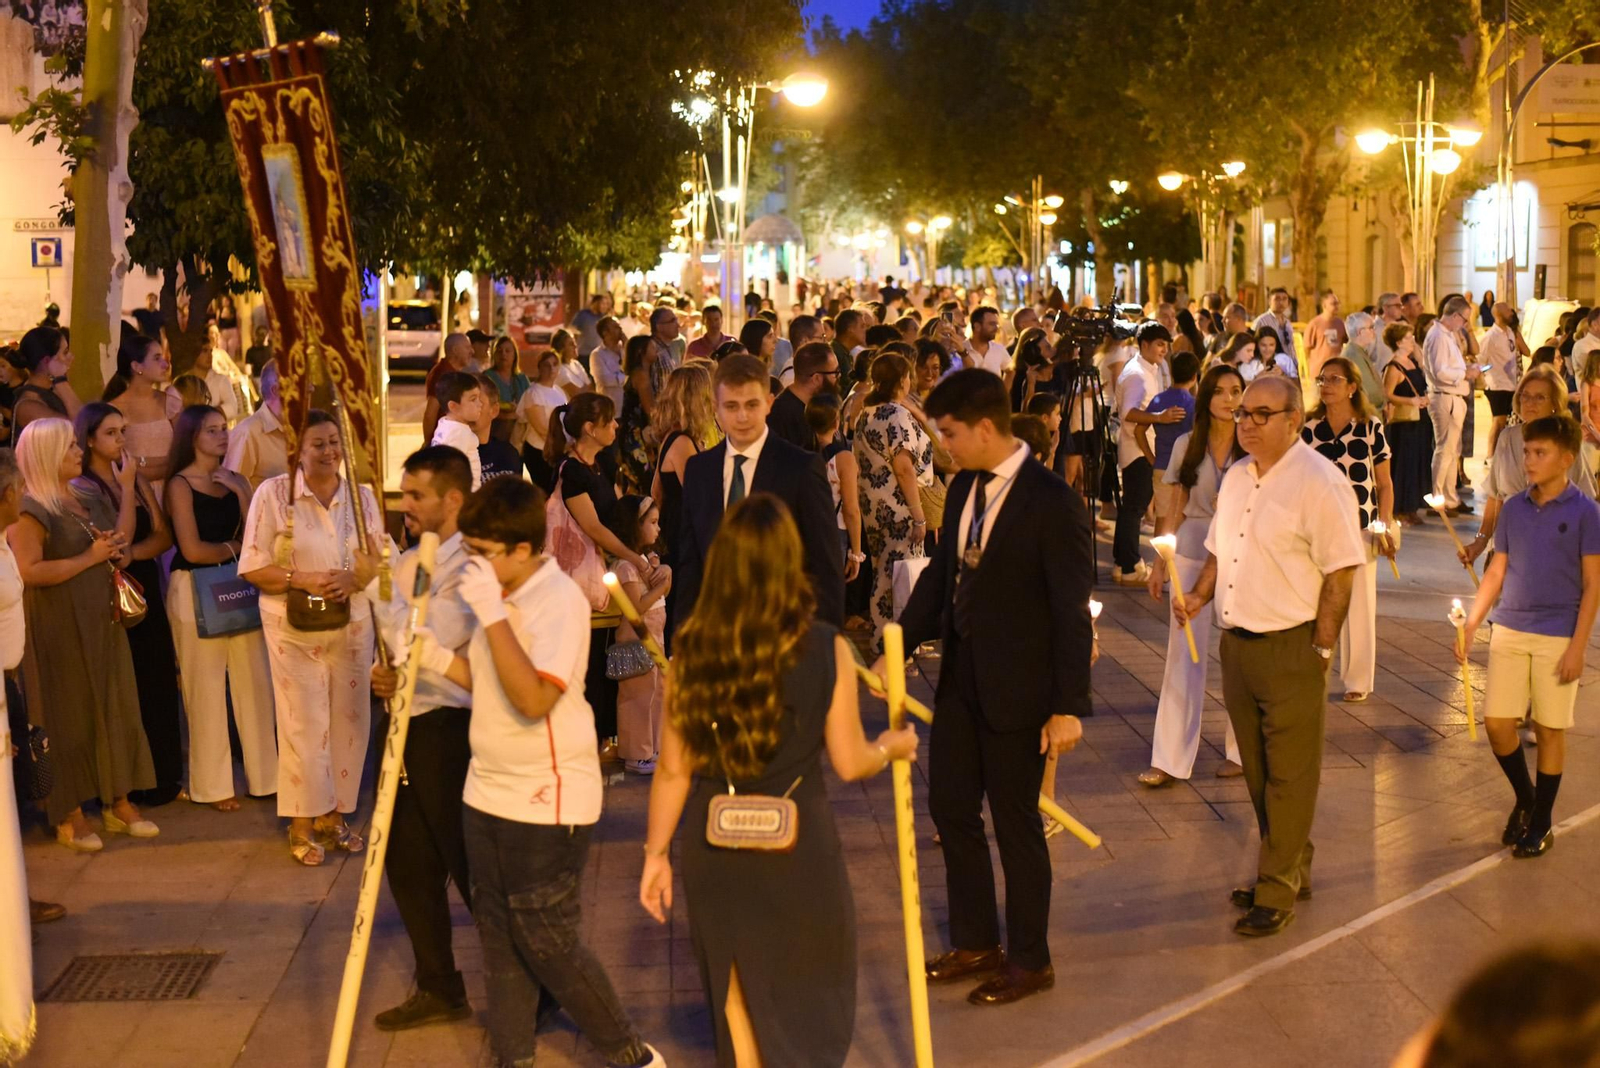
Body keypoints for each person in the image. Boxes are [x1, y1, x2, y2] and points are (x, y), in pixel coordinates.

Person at [639, 494, 917, 1065]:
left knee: (734, 986)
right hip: (798, 844)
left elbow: (673, 768)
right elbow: (847, 760)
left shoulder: (693, 649)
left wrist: (655, 854)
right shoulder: (827, 647)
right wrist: (891, 746)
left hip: (715, 842)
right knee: (809, 982)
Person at [411, 477, 665, 1068]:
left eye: (484, 551)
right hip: (488, 791)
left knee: (547, 939)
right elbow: (488, 679)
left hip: (548, 798)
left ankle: (632, 1055)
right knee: (498, 937)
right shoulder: (499, 594)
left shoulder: (557, 601)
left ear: (522, 550)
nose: (472, 563)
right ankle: (513, 1055)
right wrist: (428, 656)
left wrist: (490, 614)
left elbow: (531, 698)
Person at [880, 368, 1091, 1005]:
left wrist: (1067, 707)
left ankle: (1030, 959)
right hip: (961, 683)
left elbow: (1069, 611)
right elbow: (943, 577)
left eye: (948, 433)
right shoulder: (968, 484)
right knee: (950, 809)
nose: (942, 444)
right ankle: (976, 939)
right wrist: (897, 640)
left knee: (1016, 823)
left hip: (1021, 693)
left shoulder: (1052, 501)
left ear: (985, 428)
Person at [1174, 375, 1364, 937]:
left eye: (1261, 413)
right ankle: (1291, 866)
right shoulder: (1236, 478)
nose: (1247, 422)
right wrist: (1199, 597)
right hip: (1238, 644)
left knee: (1291, 775)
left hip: (1292, 644)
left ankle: (1275, 886)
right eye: (1243, 412)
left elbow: (1341, 570)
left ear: (1294, 419)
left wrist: (1323, 646)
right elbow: (1219, 551)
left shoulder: (1320, 483)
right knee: (1257, 771)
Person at [363, 446, 477, 1032]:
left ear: (452, 500)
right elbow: (399, 651)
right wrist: (385, 676)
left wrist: (379, 596)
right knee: (406, 860)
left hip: (450, 729)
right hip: (404, 725)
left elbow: (439, 639)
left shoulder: (473, 566)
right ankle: (438, 983)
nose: (404, 506)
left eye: (417, 496)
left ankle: (534, 987)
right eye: (403, 494)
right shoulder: (408, 564)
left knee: (469, 863)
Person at [1456, 414, 1600, 859]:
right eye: (1527, 451)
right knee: (1498, 725)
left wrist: (1578, 645)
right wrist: (1473, 622)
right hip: (1511, 626)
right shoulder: (1514, 507)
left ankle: (1540, 822)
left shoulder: (1586, 512)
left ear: (1566, 459)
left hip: (1558, 631)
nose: (1529, 460)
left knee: (1549, 727)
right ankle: (1526, 795)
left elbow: (1594, 584)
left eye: (1540, 453)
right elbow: (1497, 569)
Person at [240, 409, 380, 865]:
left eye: (335, 442)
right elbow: (253, 566)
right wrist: (302, 578)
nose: (329, 451)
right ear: (298, 449)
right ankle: (302, 823)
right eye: (318, 443)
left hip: (352, 620)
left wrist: (351, 578)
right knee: (303, 720)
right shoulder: (274, 494)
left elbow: (379, 558)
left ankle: (334, 816)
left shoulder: (361, 497)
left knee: (350, 720)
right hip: (291, 623)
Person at [10, 418, 155, 851]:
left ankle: (118, 799)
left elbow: (120, 546)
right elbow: (28, 572)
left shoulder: (81, 497)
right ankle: (69, 812)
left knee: (115, 702)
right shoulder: (29, 508)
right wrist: (90, 558)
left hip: (100, 620)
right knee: (66, 712)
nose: (78, 451)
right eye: (69, 446)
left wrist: (108, 547)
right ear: (46, 455)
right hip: (57, 626)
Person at [677, 354, 846, 628]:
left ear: (769, 404)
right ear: (715, 408)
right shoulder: (700, 470)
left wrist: (824, 646)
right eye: (731, 406)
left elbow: (825, 567)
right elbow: (691, 565)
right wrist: (683, 641)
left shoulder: (800, 468)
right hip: (717, 636)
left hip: (786, 634)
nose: (742, 417)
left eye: (751, 405)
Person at [164, 404, 276, 812]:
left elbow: (256, 535)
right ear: (192, 436)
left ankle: (267, 776)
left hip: (237, 584)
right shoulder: (180, 484)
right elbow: (191, 548)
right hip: (194, 586)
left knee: (255, 682)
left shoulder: (234, 480)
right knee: (205, 687)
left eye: (223, 428)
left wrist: (243, 492)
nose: (221, 435)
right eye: (211, 430)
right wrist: (234, 550)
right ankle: (212, 786)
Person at [74, 403, 184, 807]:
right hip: (109, 596)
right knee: (127, 685)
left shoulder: (131, 478)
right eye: (111, 433)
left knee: (157, 679)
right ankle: (130, 783)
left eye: (123, 431)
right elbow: (119, 535)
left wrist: (133, 554)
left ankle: (165, 777)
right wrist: (125, 490)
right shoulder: (82, 486)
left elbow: (162, 535)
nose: (122, 440)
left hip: (142, 586)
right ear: (89, 439)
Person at [1142, 365, 1246, 786]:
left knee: (1240, 654)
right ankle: (1168, 759)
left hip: (1240, 554)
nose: (1229, 399)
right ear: (1205, 398)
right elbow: (1174, 507)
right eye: (1219, 392)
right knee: (1183, 655)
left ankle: (1242, 751)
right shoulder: (1188, 443)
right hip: (1190, 549)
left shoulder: (1253, 444)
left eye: (1236, 391)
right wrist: (1158, 563)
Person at [547, 393, 654, 762]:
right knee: (586, 664)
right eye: (609, 422)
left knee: (604, 659)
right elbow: (592, 526)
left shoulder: (603, 463)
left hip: (603, 575)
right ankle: (580, 743)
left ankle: (602, 736)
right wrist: (633, 558)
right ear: (590, 429)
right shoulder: (572, 472)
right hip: (578, 582)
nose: (616, 427)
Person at [1303, 356, 1395, 703]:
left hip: (1360, 527)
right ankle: (1313, 670)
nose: (1326, 385)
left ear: (1352, 387)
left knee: (1360, 604)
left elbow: (1384, 483)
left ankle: (1358, 679)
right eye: (1322, 379)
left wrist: (1383, 525)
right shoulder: (1309, 429)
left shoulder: (1369, 426)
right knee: (1315, 600)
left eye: (1334, 379)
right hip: (1319, 528)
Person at [1460, 367, 1597, 567]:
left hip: (1555, 552)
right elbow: (1495, 496)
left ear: (1555, 403)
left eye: (1540, 397)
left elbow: (1587, 502)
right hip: (1509, 547)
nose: (1530, 403)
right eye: (1525, 396)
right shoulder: (1507, 438)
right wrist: (1480, 540)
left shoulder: (1567, 444)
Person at [853, 352, 934, 650]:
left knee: (886, 571)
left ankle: (894, 637)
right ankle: (894, 643)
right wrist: (918, 516)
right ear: (902, 380)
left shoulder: (867, 412)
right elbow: (903, 467)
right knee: (899, 575)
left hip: (874, 504)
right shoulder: (896, 415)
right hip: (898, 506)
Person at [650, 364, 717, 643]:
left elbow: (655, 491)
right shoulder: (682, 442)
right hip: (683, 537)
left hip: (674, 530)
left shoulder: (673, 438)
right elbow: (701, 497)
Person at [1113, 321, 1182, 585]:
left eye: (1166, 345)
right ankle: (1129, 565)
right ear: (1144, 345)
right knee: (1135, 507)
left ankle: (1124, 561)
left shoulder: (1147, 369)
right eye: (1159, 344)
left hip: (1143, 447)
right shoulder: (1136, 374)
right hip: (1138, 450)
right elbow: (1129, 411)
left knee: (1133, 507)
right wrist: (1161, 418)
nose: (1164, 350)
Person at [609, 495, 670, 775]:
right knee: (638, 695)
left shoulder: (645, 561)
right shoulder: (625, 566)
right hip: (637, 638)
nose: (658, 529)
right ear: (635, 526)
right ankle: (636, 753)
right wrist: (664, 586)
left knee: (656, 692)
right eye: (653, 523)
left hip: (654, 636)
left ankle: (652, 748)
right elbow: (637, 606)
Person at [1424, 296, 1481, 516]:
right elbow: (1440, 371)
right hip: (1444, 396)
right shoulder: (1438, 336)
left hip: (1453, 396)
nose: (1465, 324)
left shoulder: (1446, 335)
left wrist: (1466, 368)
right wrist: (1465, 373)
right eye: (1465, 319)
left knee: (1451, 450)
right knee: (1444, 450)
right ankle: (1439, 498)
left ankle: (1450, 498)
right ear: (1455, 316)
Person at [104, 332, 181, 485]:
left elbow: (184, 451)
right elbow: (116, 462)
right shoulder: (113, 411)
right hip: (135, 492)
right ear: (137, 366)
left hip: (172, 488)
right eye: (157, 358)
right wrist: (167, 464)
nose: (165, 364)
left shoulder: (171, 403)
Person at [1380, 323, 1434, 526]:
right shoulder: (1394, 367)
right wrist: (1410, 401)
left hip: (1419, 420)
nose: (1413, 341)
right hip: (1404, 423)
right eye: (1409, 338)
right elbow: (1387, 393)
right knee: (1404, 463)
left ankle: (1412, 505)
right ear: (1398, 342)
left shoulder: (1412, 362)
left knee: (1418, 461)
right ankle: (1400, 507)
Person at [1148, 351, 1198, 529]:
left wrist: (1150, 457)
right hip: (1185, 468)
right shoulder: (1193, 404)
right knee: (1180, 521)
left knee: (1161, 519)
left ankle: (1158, 556)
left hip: (1161, 464)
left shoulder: (1159, 399)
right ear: (1194, 376)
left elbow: (1139, 430)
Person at [222, 358, 288, 492]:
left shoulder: (309, 428)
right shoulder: (249, 433)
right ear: (277, 390)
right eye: (301, 383)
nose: (310, 388)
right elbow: (231, 492)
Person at [510, 348, 568, 491]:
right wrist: (562, 446)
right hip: (540, 452)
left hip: (557, 451)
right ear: (539, 367)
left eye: (555, 364)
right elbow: (542, 428)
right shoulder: (533, 393)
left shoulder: (559, 391)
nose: (551, 368)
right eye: (546, 364)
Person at [768, 341, 837, 451]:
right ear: (817, 379)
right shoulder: (780, 416)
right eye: (835, 372)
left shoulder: (821, 408)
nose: (839, 377)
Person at [12, 327, 80, 435]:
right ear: (47, 361)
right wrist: (60, 378)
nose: (70, 357)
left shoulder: (52, 389)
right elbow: (80, 427)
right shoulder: (28, 404)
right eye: (65, 352)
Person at [1481, 302, 1525, 459]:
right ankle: (1490, 456)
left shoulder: (1510, 333)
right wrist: (1490, 371)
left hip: (1511, 385)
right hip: (1496, 386)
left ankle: (1502, 455)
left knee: (1507, 422)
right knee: (1498, 421)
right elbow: (1480, 363)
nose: (1511, 312)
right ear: (1499, 314)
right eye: (1507, 310)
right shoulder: (1490, 337)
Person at [429, 371, 486, 489]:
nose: (480, 403)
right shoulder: (459, 432)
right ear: (453, 406)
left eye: (479, 398)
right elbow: (450, 472)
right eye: (473, 399)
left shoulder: (445, 424)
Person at [616, 335, 657, 497]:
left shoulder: (642, 372)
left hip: (633, 432)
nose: (657, 351)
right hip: (635, 435)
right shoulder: (641, 375)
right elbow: (650, 409)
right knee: (644, 483)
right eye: (653, 348)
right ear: (642, 352)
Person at [422, 333, 473, 445]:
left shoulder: (451, 372)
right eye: (467, 348)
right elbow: (431, 413)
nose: (472, 352)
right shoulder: (443, 374)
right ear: (455, 350)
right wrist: (428, 443)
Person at [472, 372, 523, 483]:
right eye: (462, 403)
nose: (470, 410)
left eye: (477, 402)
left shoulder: (508, 455)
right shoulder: (442, 456)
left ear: (494, 410)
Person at [1338, 312, 1388, 414]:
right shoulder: (1353, 354)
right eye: (1371, 327)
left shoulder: (1358, 351)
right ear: (1360, 332)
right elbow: (1370, 390)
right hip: (1367, 414)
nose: (1374, 331)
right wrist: (1383, 404)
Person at [483, 335, 529, 440]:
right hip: (496, 432)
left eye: (507, 351)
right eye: (499, 351)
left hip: (520, 433)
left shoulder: (521, 378)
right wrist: (507, 415)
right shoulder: (488, 377)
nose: (503, 354)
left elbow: (530, 403)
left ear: (514, 355)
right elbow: (483, 407)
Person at [1304, 290, 1347, 380]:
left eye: (1338, 303)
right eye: (1333, 304)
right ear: (1324, 306)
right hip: (1319, 370)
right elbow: (1307, 348)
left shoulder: (1340, 323)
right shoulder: (1314, 324)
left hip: (1336, 370)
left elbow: (1344, 342)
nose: (1337, 306)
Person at [588, 316, 627, 408]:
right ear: (605, 332)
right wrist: (627, 377)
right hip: (612, 407)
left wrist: (628, 346)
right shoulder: (597, 355)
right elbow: (606, 380)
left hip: (628, 406)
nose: (620, 329)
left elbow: (635, 369)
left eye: (620, 326)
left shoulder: (625, 349)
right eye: (616, 327)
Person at [963, 305, 1010, 376]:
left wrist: (1004, 387)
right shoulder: (961, 350)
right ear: (977, 326)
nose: (996, 328)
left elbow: (1010, 370)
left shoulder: (999, 349)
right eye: (992, 324)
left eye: (996, 324)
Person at [1252, 287, 1296, 359]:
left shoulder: (1287, 322)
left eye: (1284, 299)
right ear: (1269, 301)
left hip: (1288, 364)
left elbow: (1291, 346)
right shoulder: (1261, 321)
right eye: (1277, 299)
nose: (1281, 302)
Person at [550, 329, 592, 397]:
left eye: (574, 342)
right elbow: (577, 394)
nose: (575, 346)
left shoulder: (576, 364)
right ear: (561, 349)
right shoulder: (559, 369)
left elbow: (590, 388)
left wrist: (585, 388)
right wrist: (585, 387)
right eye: (571, 344)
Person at [571, 293, 607, 357]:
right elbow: (572, 329)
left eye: (606, 304)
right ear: (595, 303)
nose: (605, 306)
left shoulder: (604, 318)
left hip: (599, 354)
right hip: (584, 354)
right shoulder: (583, 315)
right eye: (603, 304)